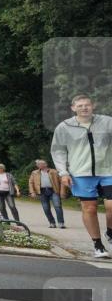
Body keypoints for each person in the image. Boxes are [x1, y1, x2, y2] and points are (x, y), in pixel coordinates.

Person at [51, 94, 112, 259]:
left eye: (87, 105)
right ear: (73, 108)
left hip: (108, 170)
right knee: (90, 208)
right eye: (80, 106)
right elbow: (58, 151)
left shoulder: (107, 122)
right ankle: (98, 245)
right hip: (81, 173)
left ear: (93, 106)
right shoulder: (64, 127)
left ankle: (110, 232)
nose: (84, 108)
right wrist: (63, 173)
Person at [28, 159, 66, 229]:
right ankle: (52, 223)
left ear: (45, 165)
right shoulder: (34, 172)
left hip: (54, 190)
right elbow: (31, 182)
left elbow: (62, 182)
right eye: (38, 164)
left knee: (57, 206)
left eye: (40, 164)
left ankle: (61, 223)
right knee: (46, 208)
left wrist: (62, 191)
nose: (38, 165)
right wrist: (32, 192)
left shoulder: (54, 171)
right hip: (42, 191)